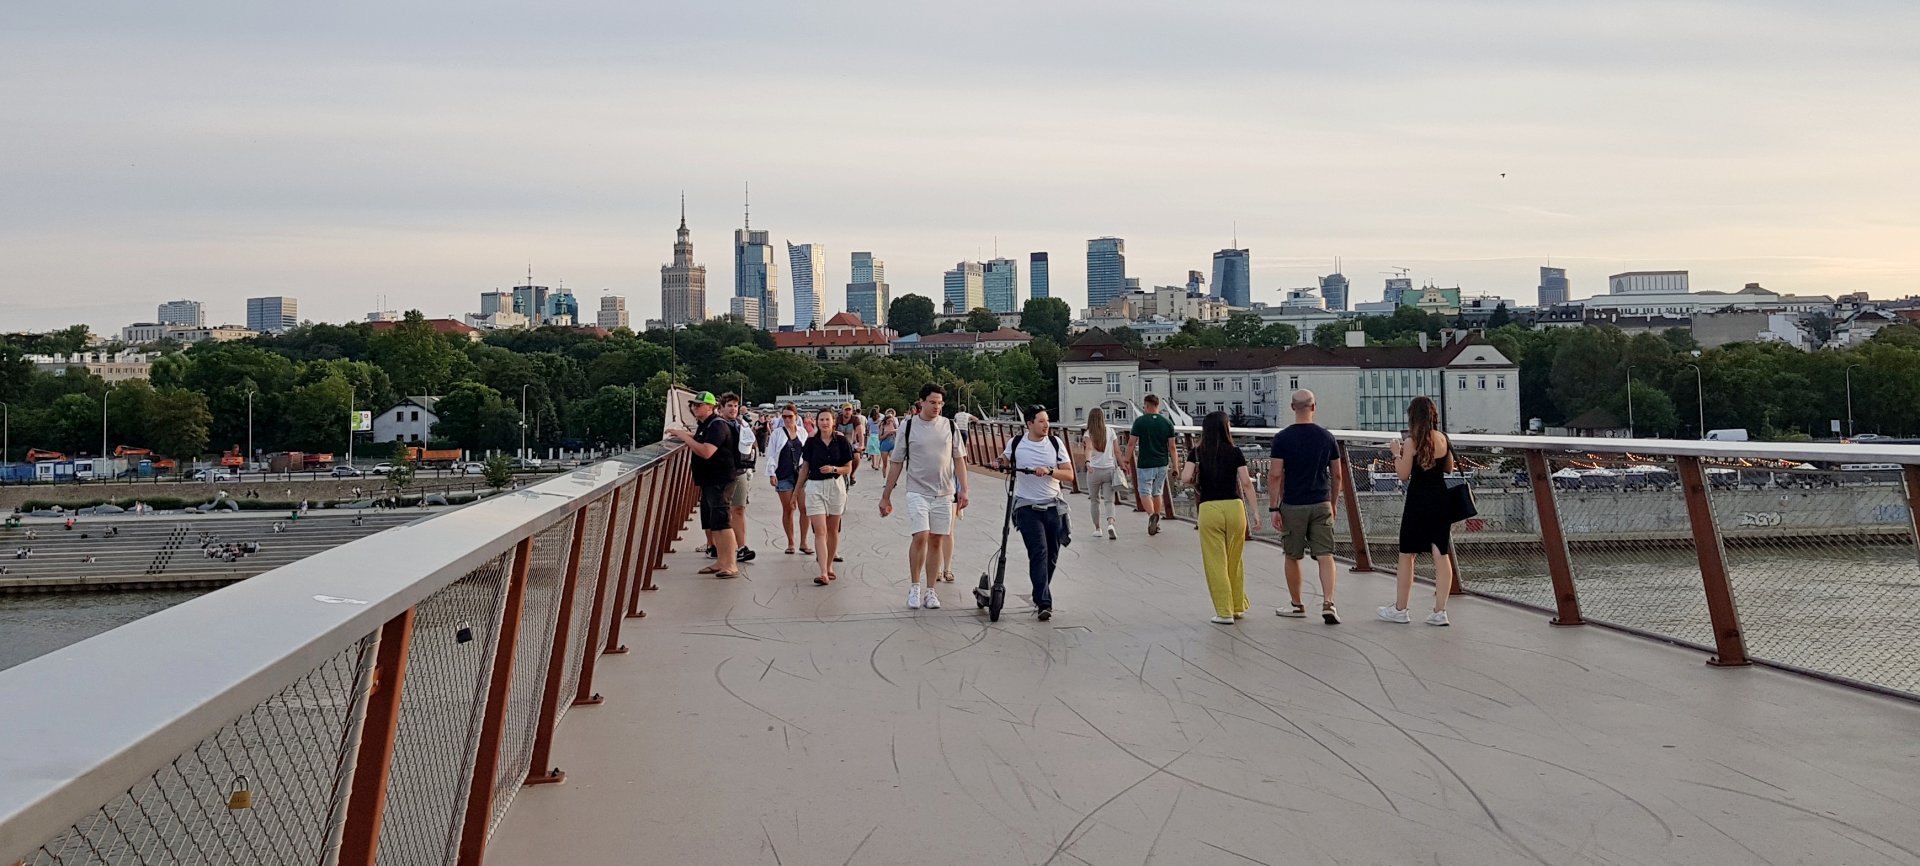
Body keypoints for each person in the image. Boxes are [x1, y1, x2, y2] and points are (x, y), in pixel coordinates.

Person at [880, 384, 970, 609]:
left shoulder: (949, 426)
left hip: (944, 492)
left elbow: (959, 459)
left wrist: (964, 490)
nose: (937, 406)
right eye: (932, 402)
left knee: (937, 539)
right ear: (921, 402)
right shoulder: (909, 426)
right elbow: (897, 462)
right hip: (917, 490)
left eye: (940, 403)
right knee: (921, 535)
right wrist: (886, 495)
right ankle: (914, 586)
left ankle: (931, 590)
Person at [1267, 389, 1345, 624]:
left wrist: (1274, 507)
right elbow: (1337, 475)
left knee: (1292, 555)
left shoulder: (1282, 438)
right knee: (1325, 555)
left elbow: (1275, 475)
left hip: (1293, 504)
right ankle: (1329, 602)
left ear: (1292, 408)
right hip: (1321, 502)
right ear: (1314, 407)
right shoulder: (1327, 437)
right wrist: (1333, 503)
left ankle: (1297, 605)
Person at [1382, 396, 1455, 626]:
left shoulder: (1412, 442)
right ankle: (1440, 611)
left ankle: (1401, 609)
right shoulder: (1443, 438)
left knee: (1407, 554)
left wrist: (1396, 452)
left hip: (1417, 501)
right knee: (1440, 554)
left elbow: (1403, 475)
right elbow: (1449, 468)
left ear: (1413, 417)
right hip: (1440, 499)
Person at [1178, 412, 1256, 624]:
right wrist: (1255, 512)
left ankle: (1224, 612)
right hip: (1235, 508)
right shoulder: (1235, 451)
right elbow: (1246, 483)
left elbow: (1185, 477)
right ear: (1226, 428)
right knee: (1235, 560)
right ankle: (1238, 606)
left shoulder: (1197, 452)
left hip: (1210, 508)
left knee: (1215, 562)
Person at [1000, 406, 1074, 621]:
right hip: (1027, 506)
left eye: (1047, 420)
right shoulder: (1016, 443)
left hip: (1053, 506)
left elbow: (1069, 474)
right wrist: (999, 462)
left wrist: (1049, 471)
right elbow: (1004, 459)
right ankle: (1044, 602)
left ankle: (1040, 590)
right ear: (1029, 424)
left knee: (1052, 555)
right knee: (1039, 551)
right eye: (1041, 421)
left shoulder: (1055, 443)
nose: (1046, 425)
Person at [666, 390, 740, 578]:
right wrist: (684, 435)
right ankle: (721, 562)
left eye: (698, 405)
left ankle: (731, 565)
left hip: (720, 480)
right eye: (693, 405)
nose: (694, 408)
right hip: (710, 480)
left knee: (722, 522)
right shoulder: (706, 425)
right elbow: (701, 440)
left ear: (710, 407)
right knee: (715, 522)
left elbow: (706, 451)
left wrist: (683, 437)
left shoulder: (717, 426)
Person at [799, 409, 855, 585]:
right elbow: (805, 468)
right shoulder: (811, 443)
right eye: (821, 419)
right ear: (816, 422)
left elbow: (848, 467)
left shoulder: (842, 441)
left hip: (835, 485)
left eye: (827, 419)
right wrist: (796, 491)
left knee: (832, 530)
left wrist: (834, 469)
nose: (824, 423)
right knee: (820, 531)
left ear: (833, 422)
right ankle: (823, 571)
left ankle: (829, 565)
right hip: (815, 486)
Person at [1126, 394, 1178, 536]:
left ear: (1147, 405)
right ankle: (1157, 521)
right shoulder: (1167, 423)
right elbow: (1172, 447)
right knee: (1157, 492)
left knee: (1144, 491)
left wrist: (1126, 461)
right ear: (1157, 406)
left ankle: (1151, 516)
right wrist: (1175, 466)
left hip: (1145, 463)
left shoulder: (1140, 422)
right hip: (1162, 463)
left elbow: (1131, 444)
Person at [767, 403, 811, 555]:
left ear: (796, 417)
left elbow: (807, 452)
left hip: (801, 474)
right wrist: (772, 473)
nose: (787, 419)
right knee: (789, 509)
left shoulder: (802, 432)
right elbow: (771, 454)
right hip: (783, 474)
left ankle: (804, 542)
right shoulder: (777, 433)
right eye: (784, 417)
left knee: (804, 508)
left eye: (790, 417)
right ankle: (791, 542)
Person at [718, 393, 758, 563]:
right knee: (722, 510)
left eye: (735, 406)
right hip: (722, 473)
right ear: (721, 408)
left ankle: (741, 547)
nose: (733, 409)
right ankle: (722, 547)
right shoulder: (717, 425)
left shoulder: (741, 424)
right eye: (729, 406)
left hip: (739, 470)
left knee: (739, 508)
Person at [1080, 407, 1122, 540]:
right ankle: (1110, 524)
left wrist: (1088, 462)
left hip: (1094, 471)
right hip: (1109, 469)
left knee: (1094, 500)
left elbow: (1089, 448)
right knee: (1109, 500)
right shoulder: (1110, 431)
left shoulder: (1088, 433)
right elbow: (1117, 451)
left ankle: (1098, 529)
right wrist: (1122, 465)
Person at [839, 404, 868, 486]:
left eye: (849, 410)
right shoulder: (838, 419)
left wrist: (861, 445)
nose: (847, 412)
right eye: (846, 410)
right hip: (839, 444)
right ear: (842, 411)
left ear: (852, 411)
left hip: (851, 443)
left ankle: (852, 474)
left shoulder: (855, 419)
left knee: (856, 457)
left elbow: (860, 433)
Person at [877, 409, 899, 474]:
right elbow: (880, 437)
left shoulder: (894, 425)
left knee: (892, 461)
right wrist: (887, 433)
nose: (890, 422)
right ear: (886, 420)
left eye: (891, 420)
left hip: (892, 444)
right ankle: (884, 476)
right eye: (889, 420)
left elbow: (897, 434)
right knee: (885, 464)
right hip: (884, 445)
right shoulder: (882, 426)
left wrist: (895, 432)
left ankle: (892, 476)